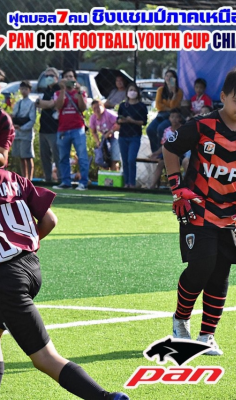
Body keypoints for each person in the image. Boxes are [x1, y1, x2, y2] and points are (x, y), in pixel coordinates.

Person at [163, 66, 236, 355]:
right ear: (223, 97)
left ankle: (207, 335)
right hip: (198, 209)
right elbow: (170, 149)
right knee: (202, 265)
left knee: (221, 272)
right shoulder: (201, 125)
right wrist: (176, 189)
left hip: (234, 214)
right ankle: (180, 320)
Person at [0, 168, 129, 400]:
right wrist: (20, 245)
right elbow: (50, 220)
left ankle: (106, 398)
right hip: (29, 266)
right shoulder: (14, 178)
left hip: (5, 278)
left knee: (45, 358)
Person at [52, 70, 90, 191]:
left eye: (71, 77)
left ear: (75, 79)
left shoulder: (81, 92)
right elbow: (58, 106)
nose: (69, 79)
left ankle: (83, 182)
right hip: (63, 129)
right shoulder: (58, 93)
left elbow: (83, 108)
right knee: (63, 157)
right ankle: (65, 182)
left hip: (78, 128)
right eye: (66, 77)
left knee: (82, 156)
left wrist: (79, 92)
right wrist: (63, 90)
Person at [148, 108, 189, 189]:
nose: (174, 119)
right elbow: (164, 145)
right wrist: (155, 153)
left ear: (180, 118)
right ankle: (152, 186)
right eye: (172, 117)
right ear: (169, 118)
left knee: (182, 162)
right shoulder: (167, 131)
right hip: (169, 154)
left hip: (181, 154)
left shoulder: (183, 130)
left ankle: (184, 185)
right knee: (160, 163)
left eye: (176, 117)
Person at [117, 82, 148, 188]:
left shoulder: (141, 106)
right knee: (125, 160)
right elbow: (118, 120)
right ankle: (126, 183)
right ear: (127, 92)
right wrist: (123, 120)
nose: (132, 92)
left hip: (135, 136)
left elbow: (143, 122)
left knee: (131, 159)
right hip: (123, 136)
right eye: (130, 90)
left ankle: (132, 183)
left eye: (134, 90)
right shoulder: (123, 105)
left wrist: (133, 121)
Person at [146, 69, 183, 153]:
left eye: (171, 77)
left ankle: (161, 153)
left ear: (175, 79)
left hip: (172, 116)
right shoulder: (161, 90)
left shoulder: (179, 92)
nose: (168, 78)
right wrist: (168, 108)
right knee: (150, 129)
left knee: (161, 128)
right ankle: (155, 152)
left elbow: (173, 107)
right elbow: (158, 105)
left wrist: (174, 94)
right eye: (167, 76)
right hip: (161, 115)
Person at [35, 67, 61, 182]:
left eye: (51, 76)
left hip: (55, 128)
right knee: (44, 156)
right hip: (43, 128)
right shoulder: (46, 90)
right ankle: (48, 178)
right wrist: (44, 103)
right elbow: (44, 104)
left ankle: (61, 178)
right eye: (46, 76)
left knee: (57, 156)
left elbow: (52, 104)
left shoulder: (59, 89)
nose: (48, 78)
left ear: (56, 77)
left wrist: (41, 103)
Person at [11, 80, 36, 180]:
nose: (23, 91)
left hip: (26, 133)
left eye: (25, 89)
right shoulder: (18, 103)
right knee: (21, 157)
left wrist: (22, 127)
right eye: (22, 89)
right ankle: (23, 178)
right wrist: (14, 125)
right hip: (17, 133)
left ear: (29, 90)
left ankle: (29, 178)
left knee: (28, 156)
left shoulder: (31, 103)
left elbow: (32, 120)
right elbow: (14, 116)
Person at [90, 100, 120, 171]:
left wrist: (110, 132)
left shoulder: (109, 114)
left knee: (114, 161)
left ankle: (115, 175)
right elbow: (93, 131)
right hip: (105, 139)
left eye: (98, 107)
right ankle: (106, 176)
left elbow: (119, 124)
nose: (96, 110)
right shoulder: (93, 118)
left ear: (103, 106)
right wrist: (97, 141)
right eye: (94, 108)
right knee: (104, 160)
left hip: (115, 136)